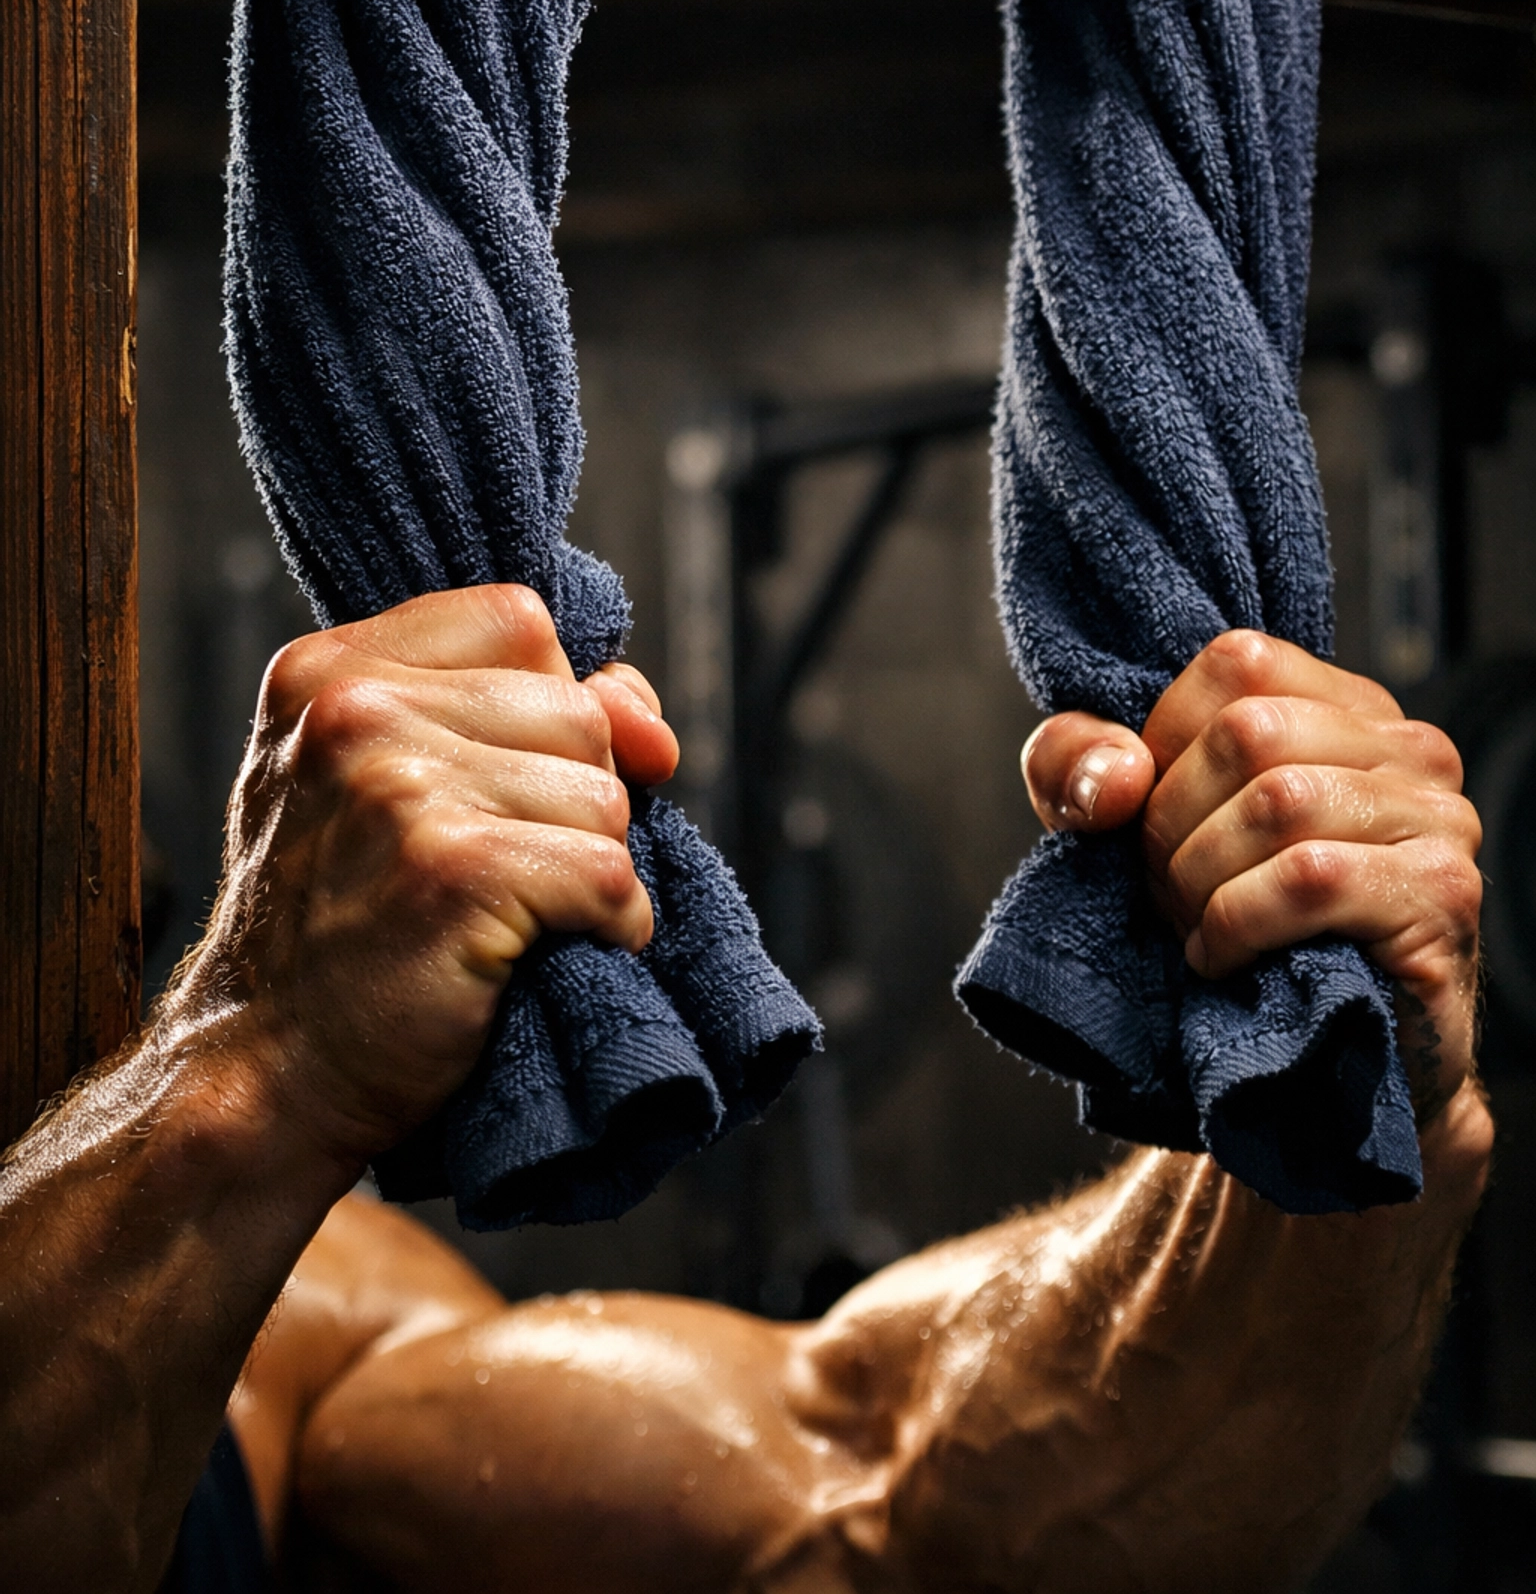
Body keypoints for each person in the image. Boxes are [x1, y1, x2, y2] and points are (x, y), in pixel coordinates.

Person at [0, 585, 1488, 1592]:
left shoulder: (298, 1324)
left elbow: (890, 1502)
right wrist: (255, 1058)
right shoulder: (233, 1176)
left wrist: (1346, 1080)